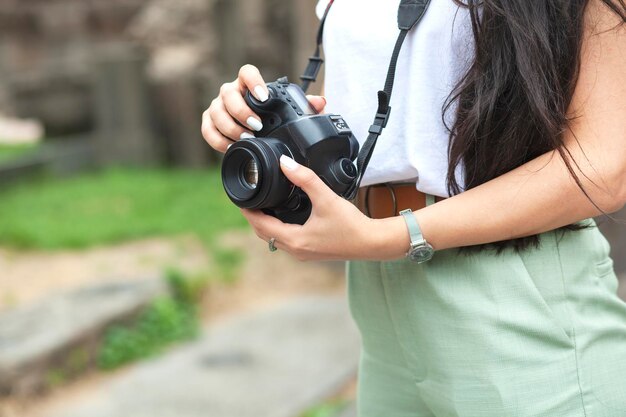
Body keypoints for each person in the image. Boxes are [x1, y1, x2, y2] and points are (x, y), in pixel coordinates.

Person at [202, 0, 626, 415]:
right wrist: (252, 118)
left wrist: (390, 236)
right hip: (378, 291)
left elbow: (605, 167)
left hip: (511, 285)